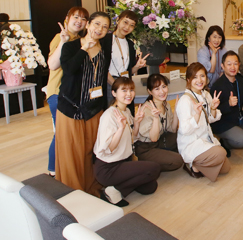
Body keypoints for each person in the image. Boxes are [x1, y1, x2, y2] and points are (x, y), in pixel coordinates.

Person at [55, 12, 112, 196]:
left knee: (91, 150)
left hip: (94, 108)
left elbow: (102, 76)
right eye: (97, 24)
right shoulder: (71, 46)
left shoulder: (105, 48)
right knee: (73, 152)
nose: (100, 29)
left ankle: (91, 185)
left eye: (105, 27)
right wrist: (84, 49)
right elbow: (69, 70)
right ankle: (73, 191)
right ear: (88, 25)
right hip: (71, 108)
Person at [93, 77, 161, 206]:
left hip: (124, 161)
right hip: (108, 168)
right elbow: (108, 149)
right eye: (124, 90)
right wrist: (120, 129)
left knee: (150, 187)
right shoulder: (109, 115)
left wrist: (136, 123)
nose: (129, 94)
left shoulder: (126, 111)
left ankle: (119, 187)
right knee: (155, 168)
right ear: (114, 93)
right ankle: (113, 191)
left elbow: (132, 138)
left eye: (131, 90)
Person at [46, 7, 89, 177]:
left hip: (71, 93)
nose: (79, 21)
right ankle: (52, 170)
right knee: (61, 133)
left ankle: (67, 167)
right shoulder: (61, 37)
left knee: (70, 133)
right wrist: (63, 41)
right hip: (58, 92)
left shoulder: (80, 40)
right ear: (67, 19)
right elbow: (52, 65)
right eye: (76, 17)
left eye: (83, 19)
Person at [176, 63, 231, 180]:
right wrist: (196, 115)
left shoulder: (205, 94)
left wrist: (213, 108)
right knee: (221, 153)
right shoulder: (185, 100)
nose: (199, 80)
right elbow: (184, 130)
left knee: (226, 168)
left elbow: (209, 119)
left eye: (202, 76)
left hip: (205, 139)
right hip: (191, 143)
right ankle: (192, 165)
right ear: (188, 80)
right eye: (195, 77)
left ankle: (199, 165)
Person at [210, 51, 243, 153]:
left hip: (239, 119)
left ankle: (238, 133)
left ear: (239, 65)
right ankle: (224, 143)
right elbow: (213, 113)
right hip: (224, 122)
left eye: (235, 63)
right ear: (222, 66)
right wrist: (228, 104)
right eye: (229, 64)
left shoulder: (240, 80)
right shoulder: (217, 86)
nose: (232, 67)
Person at [134, 74, 184, 172]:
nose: (162, 91)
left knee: (185, 136)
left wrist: (176, 112)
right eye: (157, 89)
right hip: (146, 148)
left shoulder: (165, 104)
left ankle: (164, 155)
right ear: (150, 91)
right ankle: (147, 165)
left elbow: (172, 130)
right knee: (178, 160)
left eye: (164, 87)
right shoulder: (146, 110)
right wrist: (156, 118)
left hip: (160, 141)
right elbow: (153, 138)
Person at [104, 10, 149, 108]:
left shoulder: (130, 44)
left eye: (132, 25)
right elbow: (101, 68)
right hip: (109, 84)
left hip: (125, 83)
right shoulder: (105, 40)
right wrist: (116, 85)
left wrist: (137, 66)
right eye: (125, 22)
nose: (127, 27)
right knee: (112, 113)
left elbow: (129, 71)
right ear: (118, 20)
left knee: (126, 113)